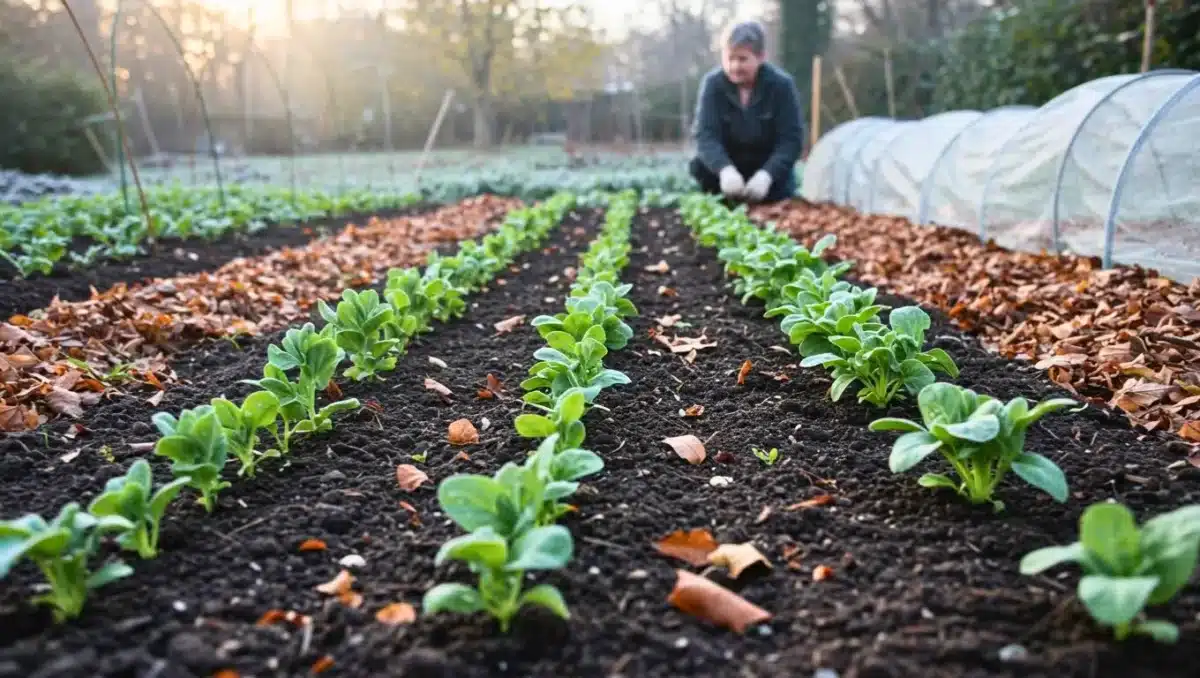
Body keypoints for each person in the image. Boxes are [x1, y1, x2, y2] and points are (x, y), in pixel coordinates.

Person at [689, 21, 803, 203]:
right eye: (729, 58)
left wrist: (766, 175)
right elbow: (705, 135)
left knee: (779, 201)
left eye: (742, 59)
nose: (735, 66)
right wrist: (725, 170)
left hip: (767, 173)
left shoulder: (781, 86)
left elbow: (791, 140)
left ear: (761, 57)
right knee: (699, 166)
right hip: (726, 174)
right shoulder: (713, 84)